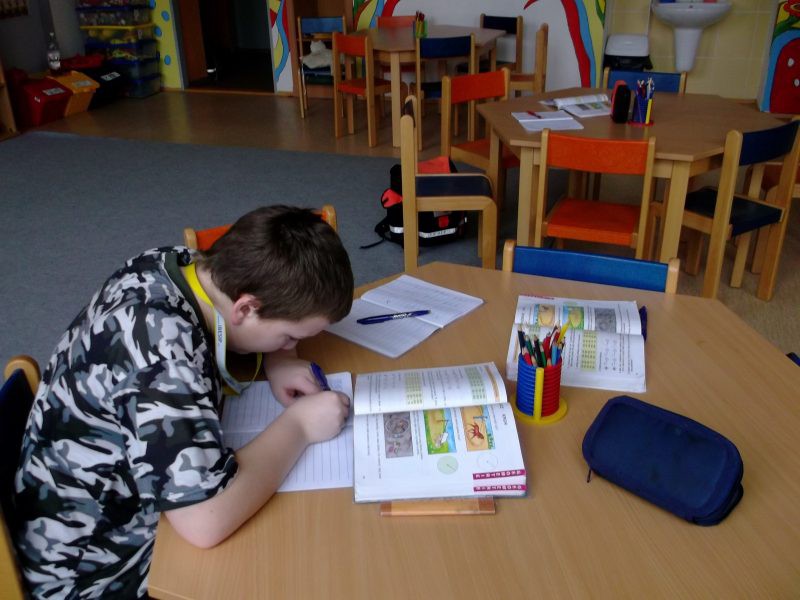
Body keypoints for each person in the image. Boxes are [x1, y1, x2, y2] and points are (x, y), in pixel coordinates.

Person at [13, 205, 354, 598]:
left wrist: (279, 358)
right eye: (289, 336)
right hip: (93, 570)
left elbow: (231, 326)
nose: (292, 344)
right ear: (245, 307)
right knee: (299, 564)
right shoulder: (162, 361)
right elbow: (205, 522)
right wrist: (299, 426)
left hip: (99, 510)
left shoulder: (182, 264)